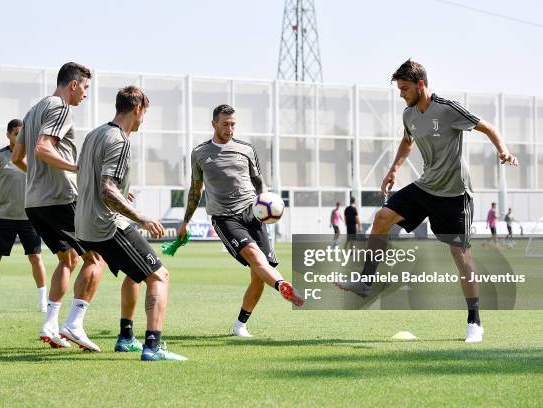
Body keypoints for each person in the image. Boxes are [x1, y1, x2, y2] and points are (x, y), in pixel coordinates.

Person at [337, 59, 518, 343]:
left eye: (405, 88)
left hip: (455, 194)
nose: (401, 94)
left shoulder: (447, 109)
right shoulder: (409, 114)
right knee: (382, 218)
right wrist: (393, 170)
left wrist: (503, 150)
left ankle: (475, 322)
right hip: (426, 186)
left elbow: (488, 127)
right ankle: (365, 281)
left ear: (421, 84)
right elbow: (408, 141)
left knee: (461, 255)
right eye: (399, 89)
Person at [74, 86, 186, 360]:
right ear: (137, 109)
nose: (143, 119)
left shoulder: (94, 134)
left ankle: (126, 337)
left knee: (135, 274)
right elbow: (107, 190)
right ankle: (153, 347)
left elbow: (88, 177)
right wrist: (142, 217)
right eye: (144, 113)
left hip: (84, 225)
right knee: (159, 276)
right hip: (108, 225)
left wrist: (123, 194)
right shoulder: (120, 140)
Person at [178, 104, 304, 339]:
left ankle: (239, 325)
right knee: (256, 259)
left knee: (259, 273)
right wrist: (186, 221)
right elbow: (196, 190)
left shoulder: (246, 149)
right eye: (225, 124)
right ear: (214, 124)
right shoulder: (200, 153)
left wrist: (266, 203)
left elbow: (258, 182)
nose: (230, 129)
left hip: (252, 213)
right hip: (224, 217)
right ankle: (285, 287)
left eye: (233, 124)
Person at [12, 62, 103, 349]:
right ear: (73, 84)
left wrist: (39, 178)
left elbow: (17, 158)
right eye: (85, 87)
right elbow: (43, 147)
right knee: (96, 259)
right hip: (62, 197)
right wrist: (76, 169)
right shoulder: (61, 107)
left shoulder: (32, 110)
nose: (85, 95)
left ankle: (50, 324)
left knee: (68, 260)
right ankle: (74, 324)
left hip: (34, 203)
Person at [0, 119, 46, 313]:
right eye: (16, 133)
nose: (19, 136)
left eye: (22, 133)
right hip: (4, 217)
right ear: (8, 134)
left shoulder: (35, 156)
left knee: (36, 258)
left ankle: (43, 302)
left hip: (30, 217)